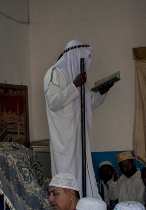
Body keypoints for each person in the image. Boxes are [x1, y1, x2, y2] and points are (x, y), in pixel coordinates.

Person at [44, 40, 115, 200]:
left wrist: (102, 93)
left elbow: (85, 103)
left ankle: (85, 207)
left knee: (82, 174)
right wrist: (74, 85)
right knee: (67, 177)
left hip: (78, 135)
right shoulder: (54, 73)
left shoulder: (77, 79)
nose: (84, 65)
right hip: (64, 140)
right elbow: (53, 102)